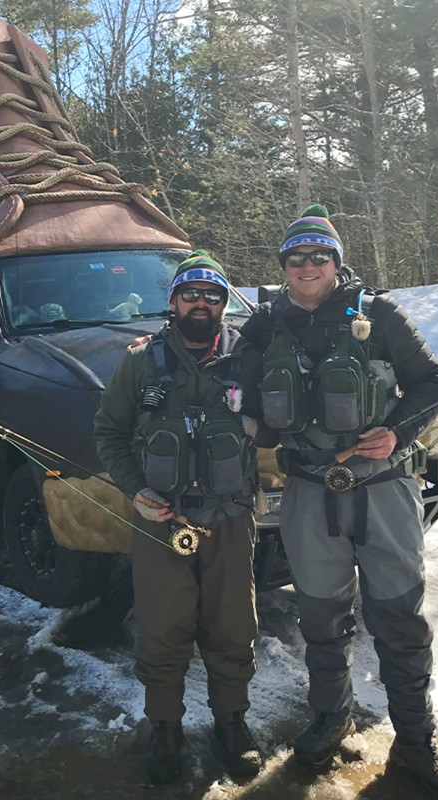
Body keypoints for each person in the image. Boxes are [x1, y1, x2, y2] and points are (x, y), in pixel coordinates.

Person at [239, 205, 438, 800]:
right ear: (284, 267)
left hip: (383, 489)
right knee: (321, 620)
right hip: (309, 493)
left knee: (398, 620)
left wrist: (397, 432)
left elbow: (431, 381)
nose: (308, 266)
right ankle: (330, 721)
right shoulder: (265, 326)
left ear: (336, 262)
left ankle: (416, 747)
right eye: (296, 258)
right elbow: (235, 387)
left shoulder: (381, 315)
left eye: (320, 256)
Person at [93, 251, 264, 785]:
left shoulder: (248, 356)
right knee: (163, 628)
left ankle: (232, 723)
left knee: (233, 626)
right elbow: (109, 433)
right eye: (190, 293)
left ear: (223, 304)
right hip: (160, 521)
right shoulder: (141, 361)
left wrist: (260, 423)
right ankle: (164, 724)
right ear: (172, 302)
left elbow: (281, 423)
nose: (201, 303)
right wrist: (136, 489)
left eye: (212, 295)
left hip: (231, 518)